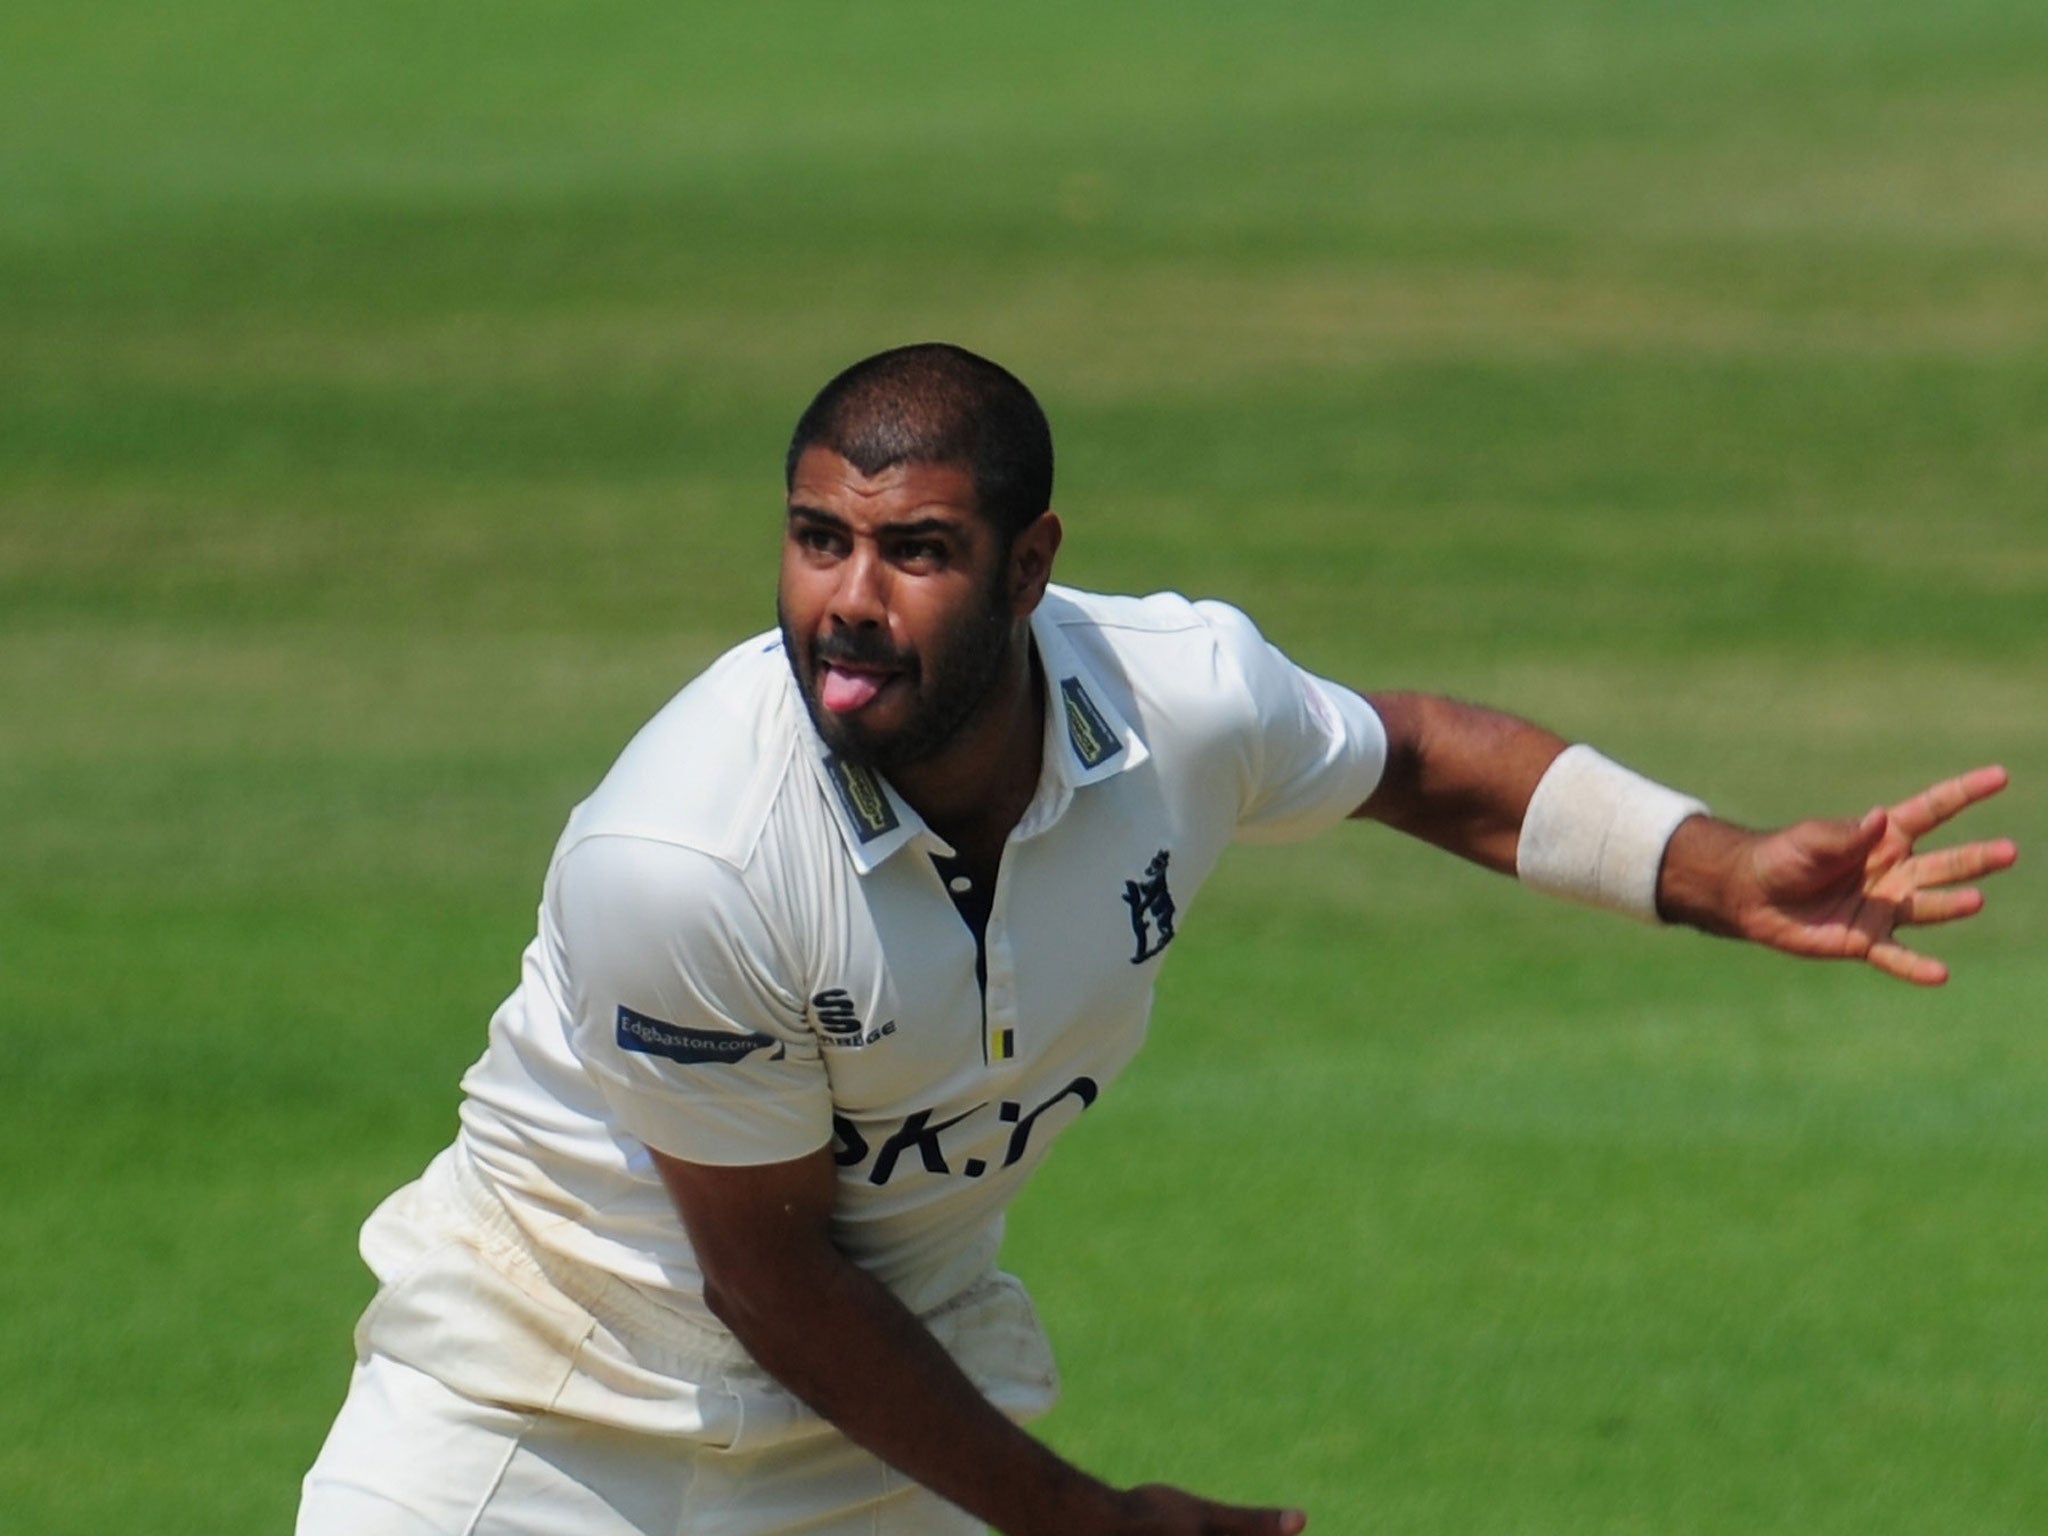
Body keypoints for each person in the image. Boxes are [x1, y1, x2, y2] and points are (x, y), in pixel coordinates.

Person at [296, 343, 2016, 1536]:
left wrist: (1711, 868)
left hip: (869, 1438)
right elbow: (770, 1273)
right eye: (818, 540)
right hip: (533, 1417)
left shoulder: (1181, 699)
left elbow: (1410, 758)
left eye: (916, 552)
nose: (846, 599)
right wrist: (1080, 1522)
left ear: (1031, 565)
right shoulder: (687, 855)